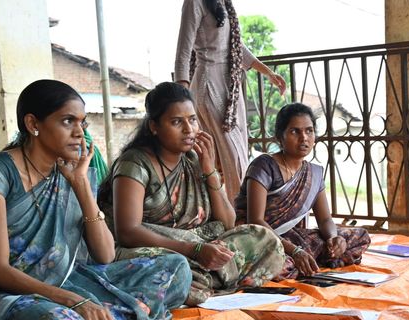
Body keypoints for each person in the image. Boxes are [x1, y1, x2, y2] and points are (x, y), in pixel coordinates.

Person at [0, 80, 192, 320]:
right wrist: (74, 301)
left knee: (176, 268)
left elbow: (104, 254)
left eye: (82, 123)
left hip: (69, 280)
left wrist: (81, 185)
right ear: (33, 123)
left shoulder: (72, 172)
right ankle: (110, 317)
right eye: (68, 121)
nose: (79, 133)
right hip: (6, 291)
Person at [97, 82, 284, 306]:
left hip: (198, 247)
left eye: (193, 119)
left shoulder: (193, 159)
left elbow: (227, 222)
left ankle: (199, 282)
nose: (189, 129)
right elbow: (127, 232)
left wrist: (209, 171)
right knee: (175, 267)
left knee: (266, 240)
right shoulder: (135, 163)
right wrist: (194, 250)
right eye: (177, 122)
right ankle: (200, 280)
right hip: (153, 251)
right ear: (154, 126)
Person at [234, 103, 371, 279]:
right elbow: (256, 221)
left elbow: (325, 219)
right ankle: (308, 260)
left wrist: (334, 238)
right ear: (279, 137)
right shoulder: (264, 166)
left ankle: (316, 257)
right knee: (279, 264)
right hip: (260, 239)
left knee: (358, 236)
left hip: (292, 239)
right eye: (294, 132)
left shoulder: (313, 173)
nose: (304, 138)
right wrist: (295, 251)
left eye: (309, 131)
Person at [174, 0, 287, 201]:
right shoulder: (195, 2)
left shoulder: (224, 3)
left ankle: (224, 213)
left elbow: (235, 47)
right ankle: (243, 216)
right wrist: (181, 99)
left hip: (231, 88)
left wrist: (268, 73)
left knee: (219, 156)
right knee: (233, 157)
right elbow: (183, 49)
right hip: (209, 85)